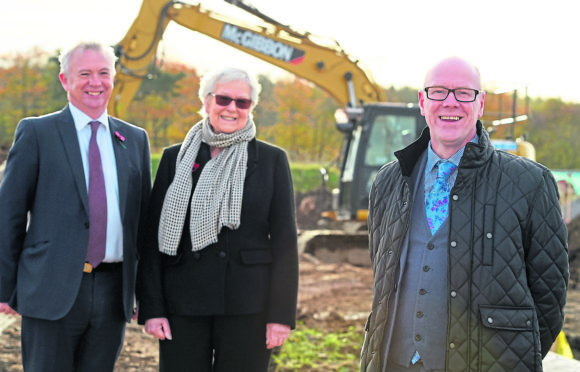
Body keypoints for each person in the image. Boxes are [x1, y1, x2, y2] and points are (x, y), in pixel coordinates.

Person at [360, 56, 569, 372]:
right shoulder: (389, 181)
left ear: (480, 103)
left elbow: (549, 296)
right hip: (394, 363)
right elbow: (383, 274)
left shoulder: (531, 183)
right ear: (422, 101)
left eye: (464, 93)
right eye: (439, 92)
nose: (451, 102)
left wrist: (509, 360)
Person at [0, 41, 152, 371]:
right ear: (64, 80)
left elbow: (142, 226)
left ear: (114, 78)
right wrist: (4, 287)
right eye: (84, 73)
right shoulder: (37, 132)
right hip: (50, 287)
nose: (95, 82)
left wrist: (144, 293)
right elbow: (9, 214)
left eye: (103, 73)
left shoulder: (135, 139)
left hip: (113, 293)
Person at [137, 67, 299, 371]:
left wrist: (280, 316)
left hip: (248, 306)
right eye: (224, 99)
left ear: (251, 107)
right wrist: (153, 308)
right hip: (182, 305)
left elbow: (285, 243)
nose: (232, 108)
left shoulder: (271, 160)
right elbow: (151, 240)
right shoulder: (175, 159)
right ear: (206, 100)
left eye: (242, 102)